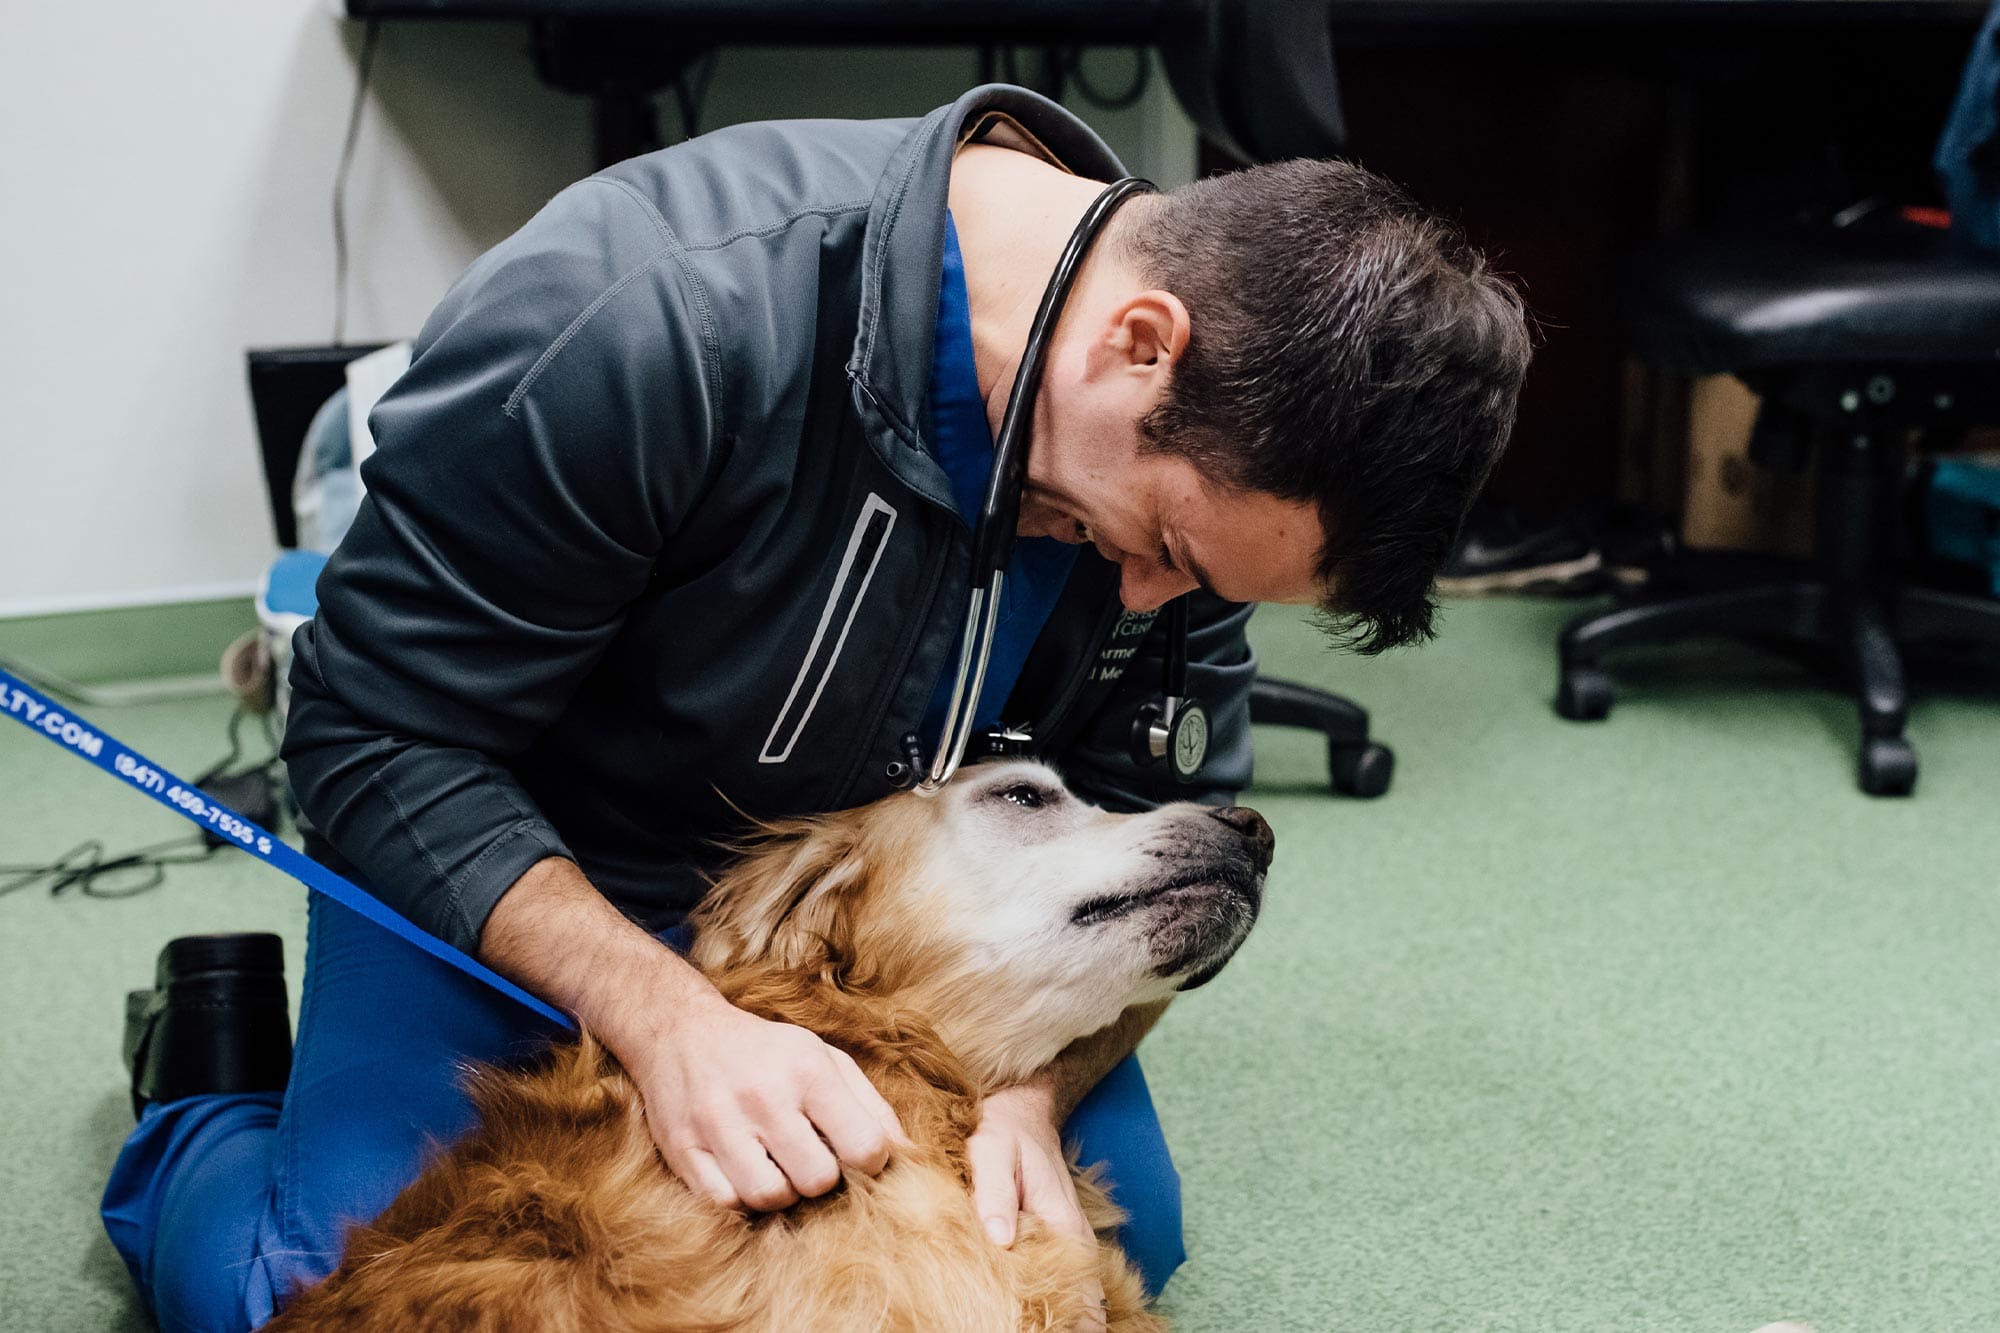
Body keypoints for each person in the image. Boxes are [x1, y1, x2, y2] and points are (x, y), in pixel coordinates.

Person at [103, 84, 1529, 1332]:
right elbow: (371, 740)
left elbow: (1143, 845)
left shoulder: (1202, 473)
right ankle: (200, 1088)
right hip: (519, 846)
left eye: (1206, 582)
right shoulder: (642, 310)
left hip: (862, 917)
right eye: (1163, 543)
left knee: (1093, 1241)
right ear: (1139, 343)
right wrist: (665, 1018)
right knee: (320, 1280)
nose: (1158, 601)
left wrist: (1022, 1082)